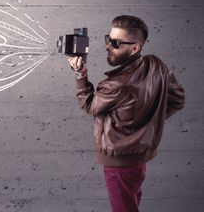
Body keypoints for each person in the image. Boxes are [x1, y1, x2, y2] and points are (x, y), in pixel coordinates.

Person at [68, 15, 185, 212]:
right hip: (139, 158)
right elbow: (178, 99)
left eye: (115, 43)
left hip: (119, 161)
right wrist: (147, 121)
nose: (107, 46)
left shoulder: (115, 85)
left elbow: (89, 106)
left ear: (135, 48)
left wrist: (80, 74)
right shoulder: (157, 65)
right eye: (108, 39)